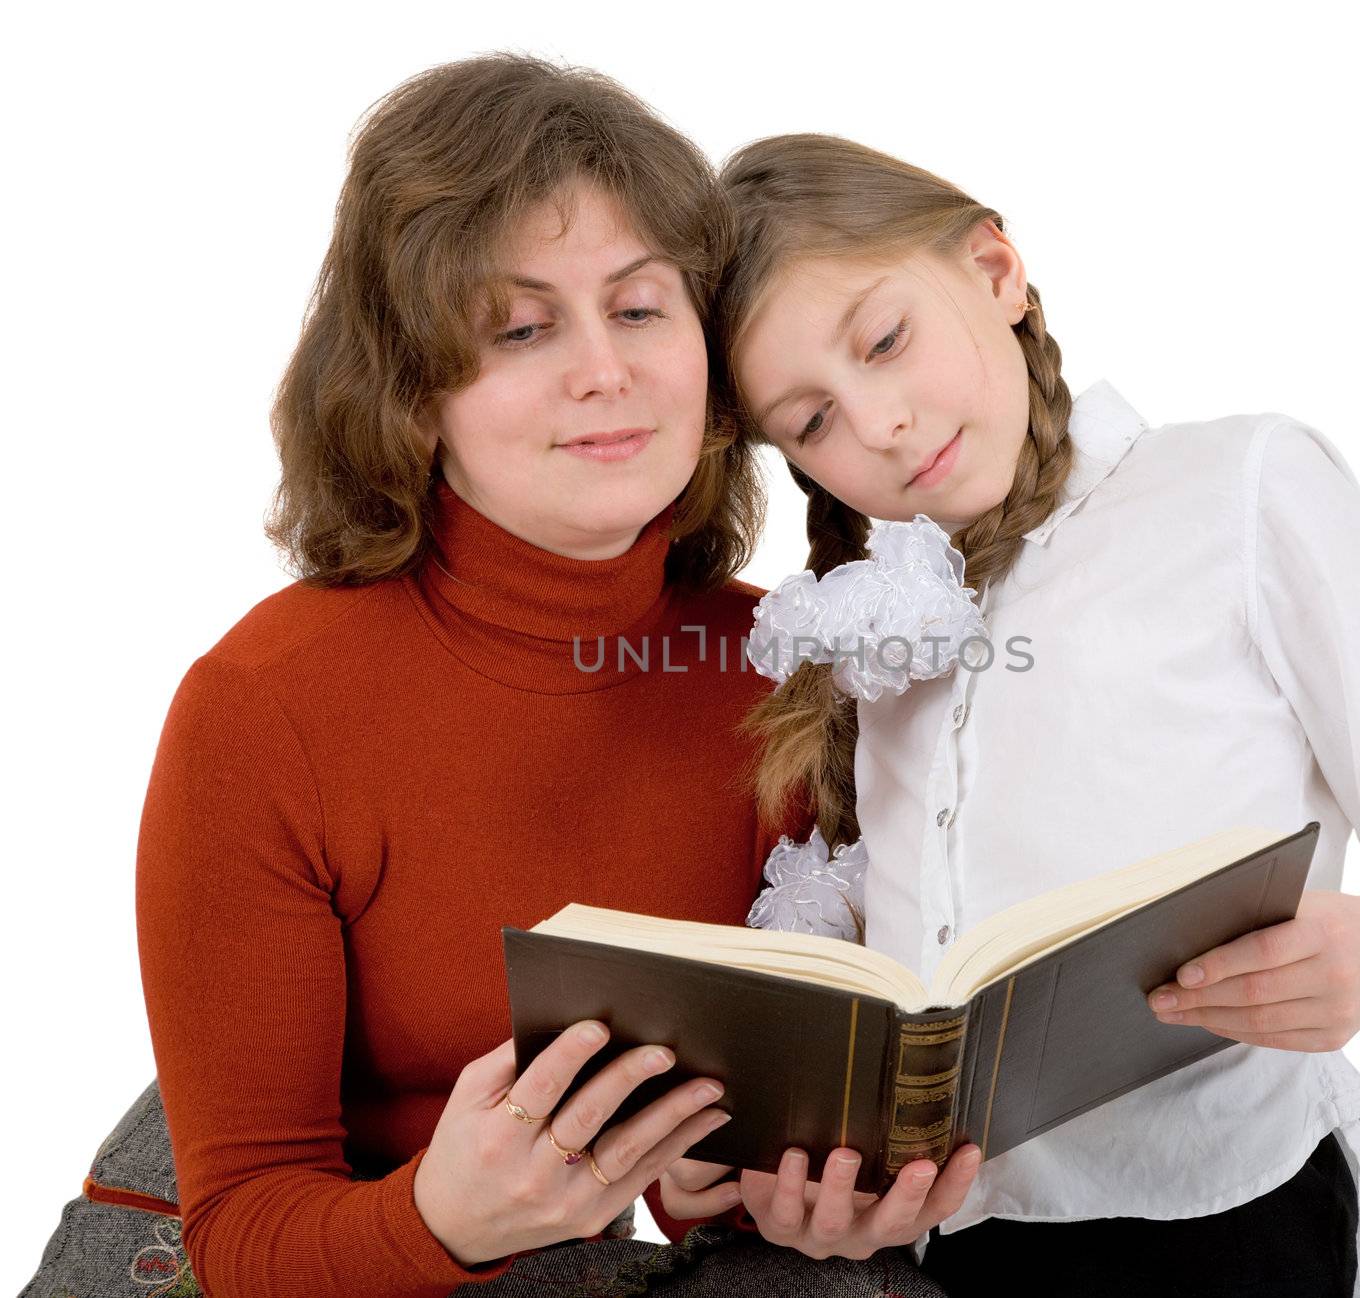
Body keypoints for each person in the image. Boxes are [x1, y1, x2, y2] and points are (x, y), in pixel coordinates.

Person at [110, 63, 961, 1298]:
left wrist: (750, 1185)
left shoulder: (777, 664)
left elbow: (707, 1148)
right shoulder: (263, 705)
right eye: (519, 328)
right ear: (411, 391)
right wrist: (441, 1216)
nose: (601, 372)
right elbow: (239, 1234)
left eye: (637, 310)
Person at [685, 132, 1360, 1297]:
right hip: (952, 1240)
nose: (881, 424)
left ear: (995, 270)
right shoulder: (876, 634)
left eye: (887, 340)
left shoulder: (1234, 489)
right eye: (812, 423)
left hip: (1225, 1202)